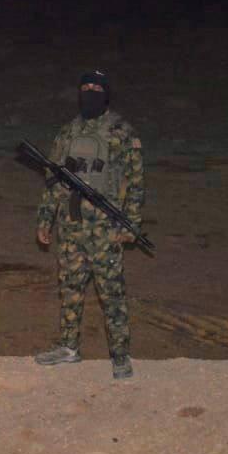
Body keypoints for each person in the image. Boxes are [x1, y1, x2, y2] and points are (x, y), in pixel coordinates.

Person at [34, 70, 145, 379]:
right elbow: (53, 179)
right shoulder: (67, 132)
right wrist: (45, 218)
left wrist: (131, 224)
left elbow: (136, 182)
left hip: (106, 228)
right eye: (85, 87)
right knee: (70, 289)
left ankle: (120, 357)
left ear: (106, 94)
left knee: (112, 294)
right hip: (70, 226)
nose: (90, 91)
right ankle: (68, 348)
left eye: (97, 87)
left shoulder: (122, 132)